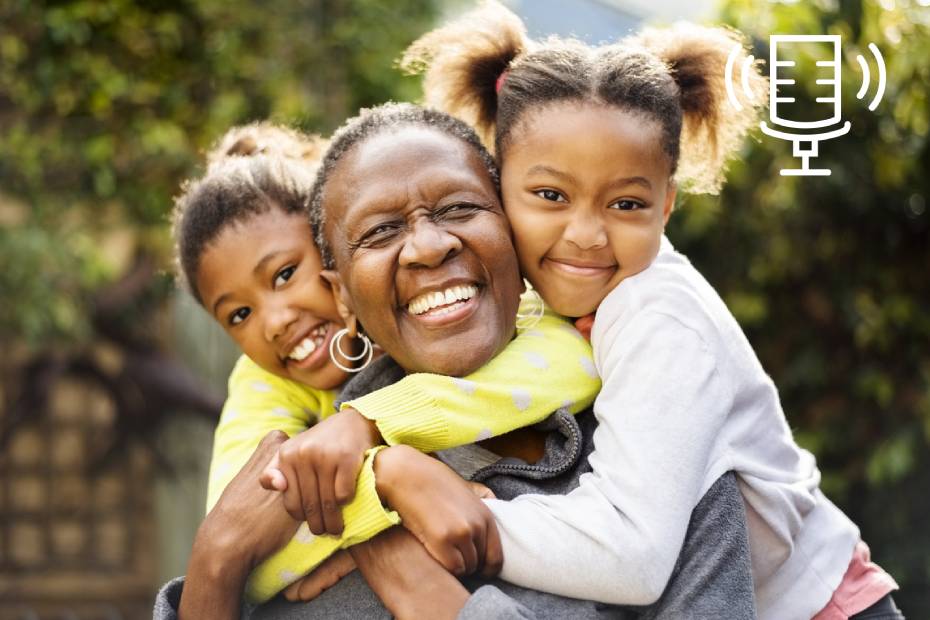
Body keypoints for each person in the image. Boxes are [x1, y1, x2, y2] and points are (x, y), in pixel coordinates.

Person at [398, 2, 904, 618]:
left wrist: (465, 518)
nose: (585, 233)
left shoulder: (657, 316)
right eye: (550, 195)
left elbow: (632, 555)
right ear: (496, 187)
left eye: (627, 204)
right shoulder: (534, 301)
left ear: (666, 208)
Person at [154, 103, 756, 620]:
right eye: (381, 230)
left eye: (460, 209)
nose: (428, 244)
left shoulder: (658, 453)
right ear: (342, 290)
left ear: (514, 227)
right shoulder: (309, 499)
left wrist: (430, 598)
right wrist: (218, 560)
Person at [169, 121, 600, 602]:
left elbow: (575, 360)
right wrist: (383, 490)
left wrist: (372, 426)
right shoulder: (262, 383)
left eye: (286, 273)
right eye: (239, 314)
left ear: (333, 252)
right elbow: (241, 527)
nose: (273, 321)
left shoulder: (494, 305)